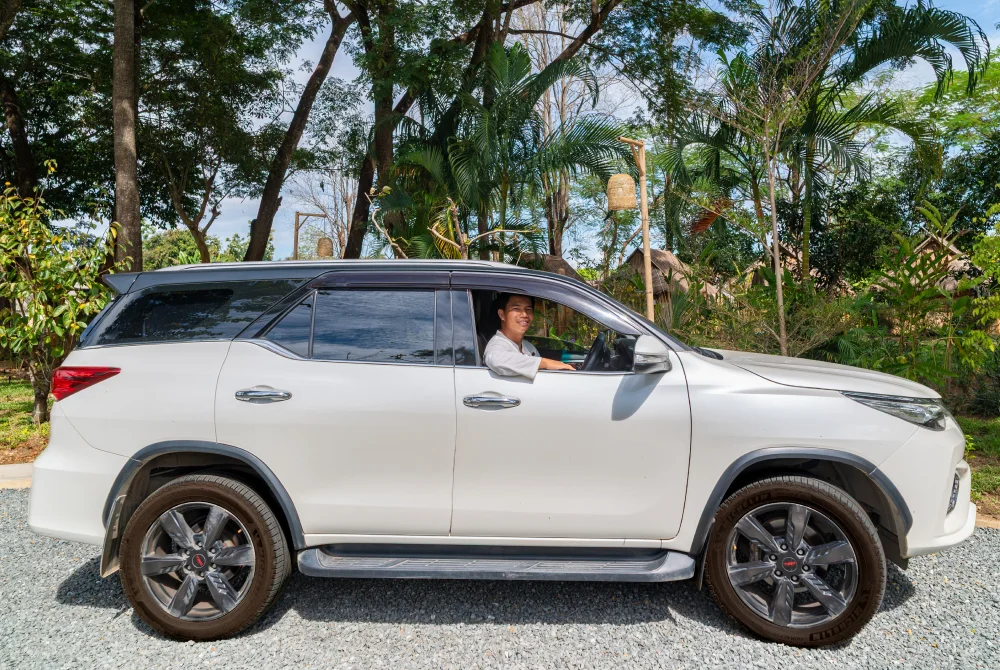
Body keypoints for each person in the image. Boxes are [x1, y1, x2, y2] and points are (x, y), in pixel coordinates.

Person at [483, 293, 575, 379]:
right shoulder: (497, 344)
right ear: (502, 314)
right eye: (516, 309)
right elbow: (495, 360)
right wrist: (546, 363)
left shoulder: (528, 347)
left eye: (528, 309)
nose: (524, 314)